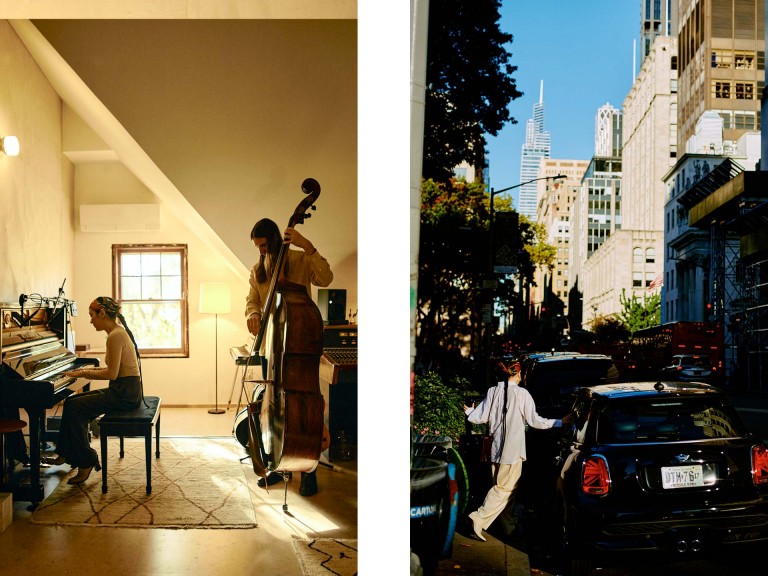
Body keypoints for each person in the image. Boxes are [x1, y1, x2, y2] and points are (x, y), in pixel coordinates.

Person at [245, 218, 333, 496]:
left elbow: (326, 278)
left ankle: (309, 468)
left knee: (305, 411)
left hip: (299, 342)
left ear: (273, 239)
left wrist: (307, 245)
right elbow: (252, 300)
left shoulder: (300, 259)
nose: (260, 251)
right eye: (256, 246)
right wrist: (253, 313)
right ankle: (277, 465)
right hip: (275, 345)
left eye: (262, 245)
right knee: (273, 407)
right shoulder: (258, 270)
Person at [463, 361, 569, 542]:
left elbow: (479, 417)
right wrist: (560, 422)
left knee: (503, 487)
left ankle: (509, 527)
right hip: (512, 450)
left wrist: (470, 411)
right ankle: (478, 518)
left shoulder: (493, 391)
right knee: (505, 488)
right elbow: (535, 421)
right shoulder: (522, 394)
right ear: (518, 375)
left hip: (496, 449)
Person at [43, 296, 143, 485]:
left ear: (102, 313)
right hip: (124, 390)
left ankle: (86, 461)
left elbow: (111, 374)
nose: (90, 320)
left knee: (75, 407)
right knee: (72, 402)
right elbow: (113, 372)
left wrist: (82, 373)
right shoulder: (117, 333)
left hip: (124, 395)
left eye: (92, 316)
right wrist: (81, 372)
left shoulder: (115, 336)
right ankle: (64, 453)